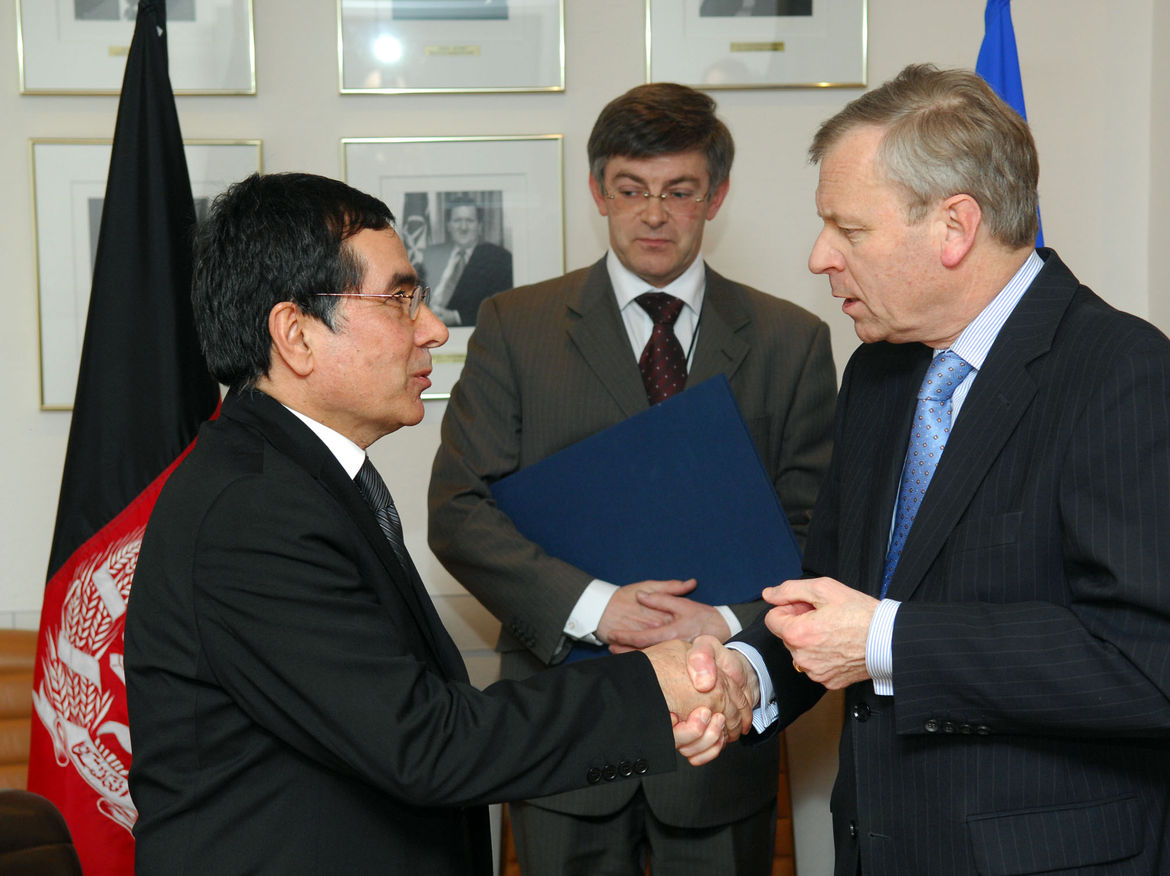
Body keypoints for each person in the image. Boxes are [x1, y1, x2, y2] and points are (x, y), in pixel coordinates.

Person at [123, 172, 753, 876]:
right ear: (295, 334)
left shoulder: (299, 477)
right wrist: (653, 688)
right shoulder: (253, 509)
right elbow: (427, 744)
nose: (434, 328)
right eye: (399, 299)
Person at [692, 63, 1170, 874]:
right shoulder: (878, 374)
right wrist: (747, 674)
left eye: (849, 229)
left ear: (955, 226)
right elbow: (834, 600)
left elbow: (1160, 669)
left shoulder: (1124, 376)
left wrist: (887, 640)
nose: (818, 257)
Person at [427, 83, 836, 875]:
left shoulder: (792, 340)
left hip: (722, 733)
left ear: (715, 196)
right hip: (566, 730)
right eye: (631, 189)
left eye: (679, 191)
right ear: (597, 191)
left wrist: (722, 621)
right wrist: (597, 608)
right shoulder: (515, 326)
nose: (654, 214)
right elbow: (459, 510)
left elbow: (817, 531)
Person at [422, 200, 513, 327]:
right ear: (448, 225)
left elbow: (502, 308)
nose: (463, 227)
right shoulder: (431, 254)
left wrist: (456, 317)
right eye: (457, 221)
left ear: (479, 226)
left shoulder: (499, 259)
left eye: (469, 221)